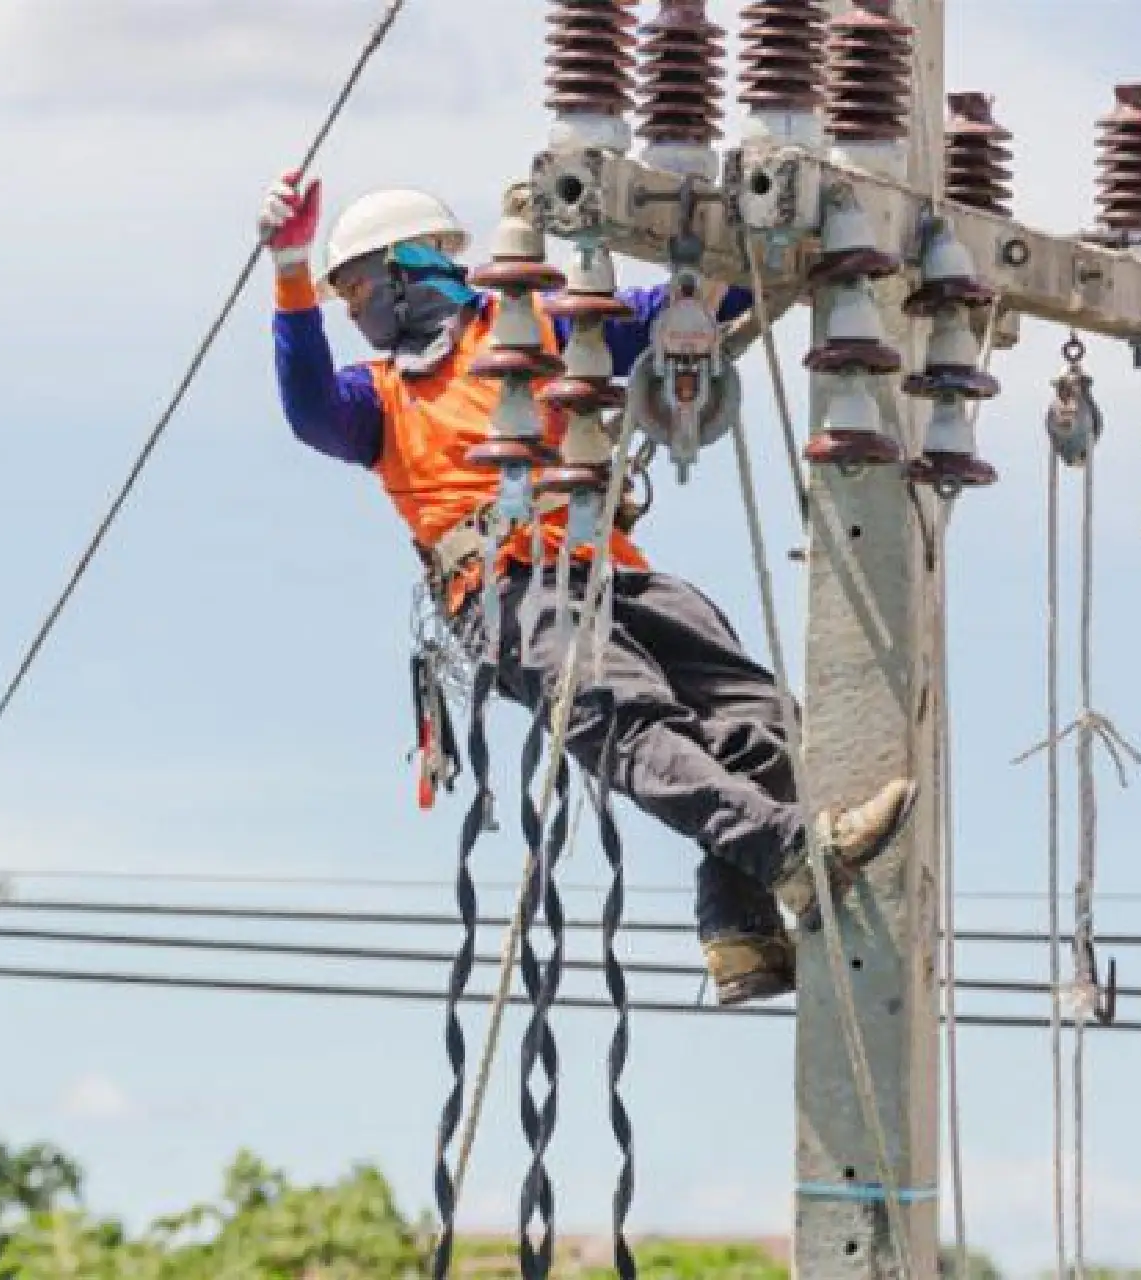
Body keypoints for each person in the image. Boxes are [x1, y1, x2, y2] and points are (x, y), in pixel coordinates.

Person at [258, 171, 917, 1005]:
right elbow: (310, 409)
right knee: (621, 708)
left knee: (760, 720)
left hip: (609, 570)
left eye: (355, 289)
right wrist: (290, 273)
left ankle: (739, 926)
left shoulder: (541, 329)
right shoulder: (380, 397)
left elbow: (676, 315)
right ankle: (787, 851)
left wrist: (762, 242)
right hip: (504, 590)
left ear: (407, 267)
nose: (354, 313)